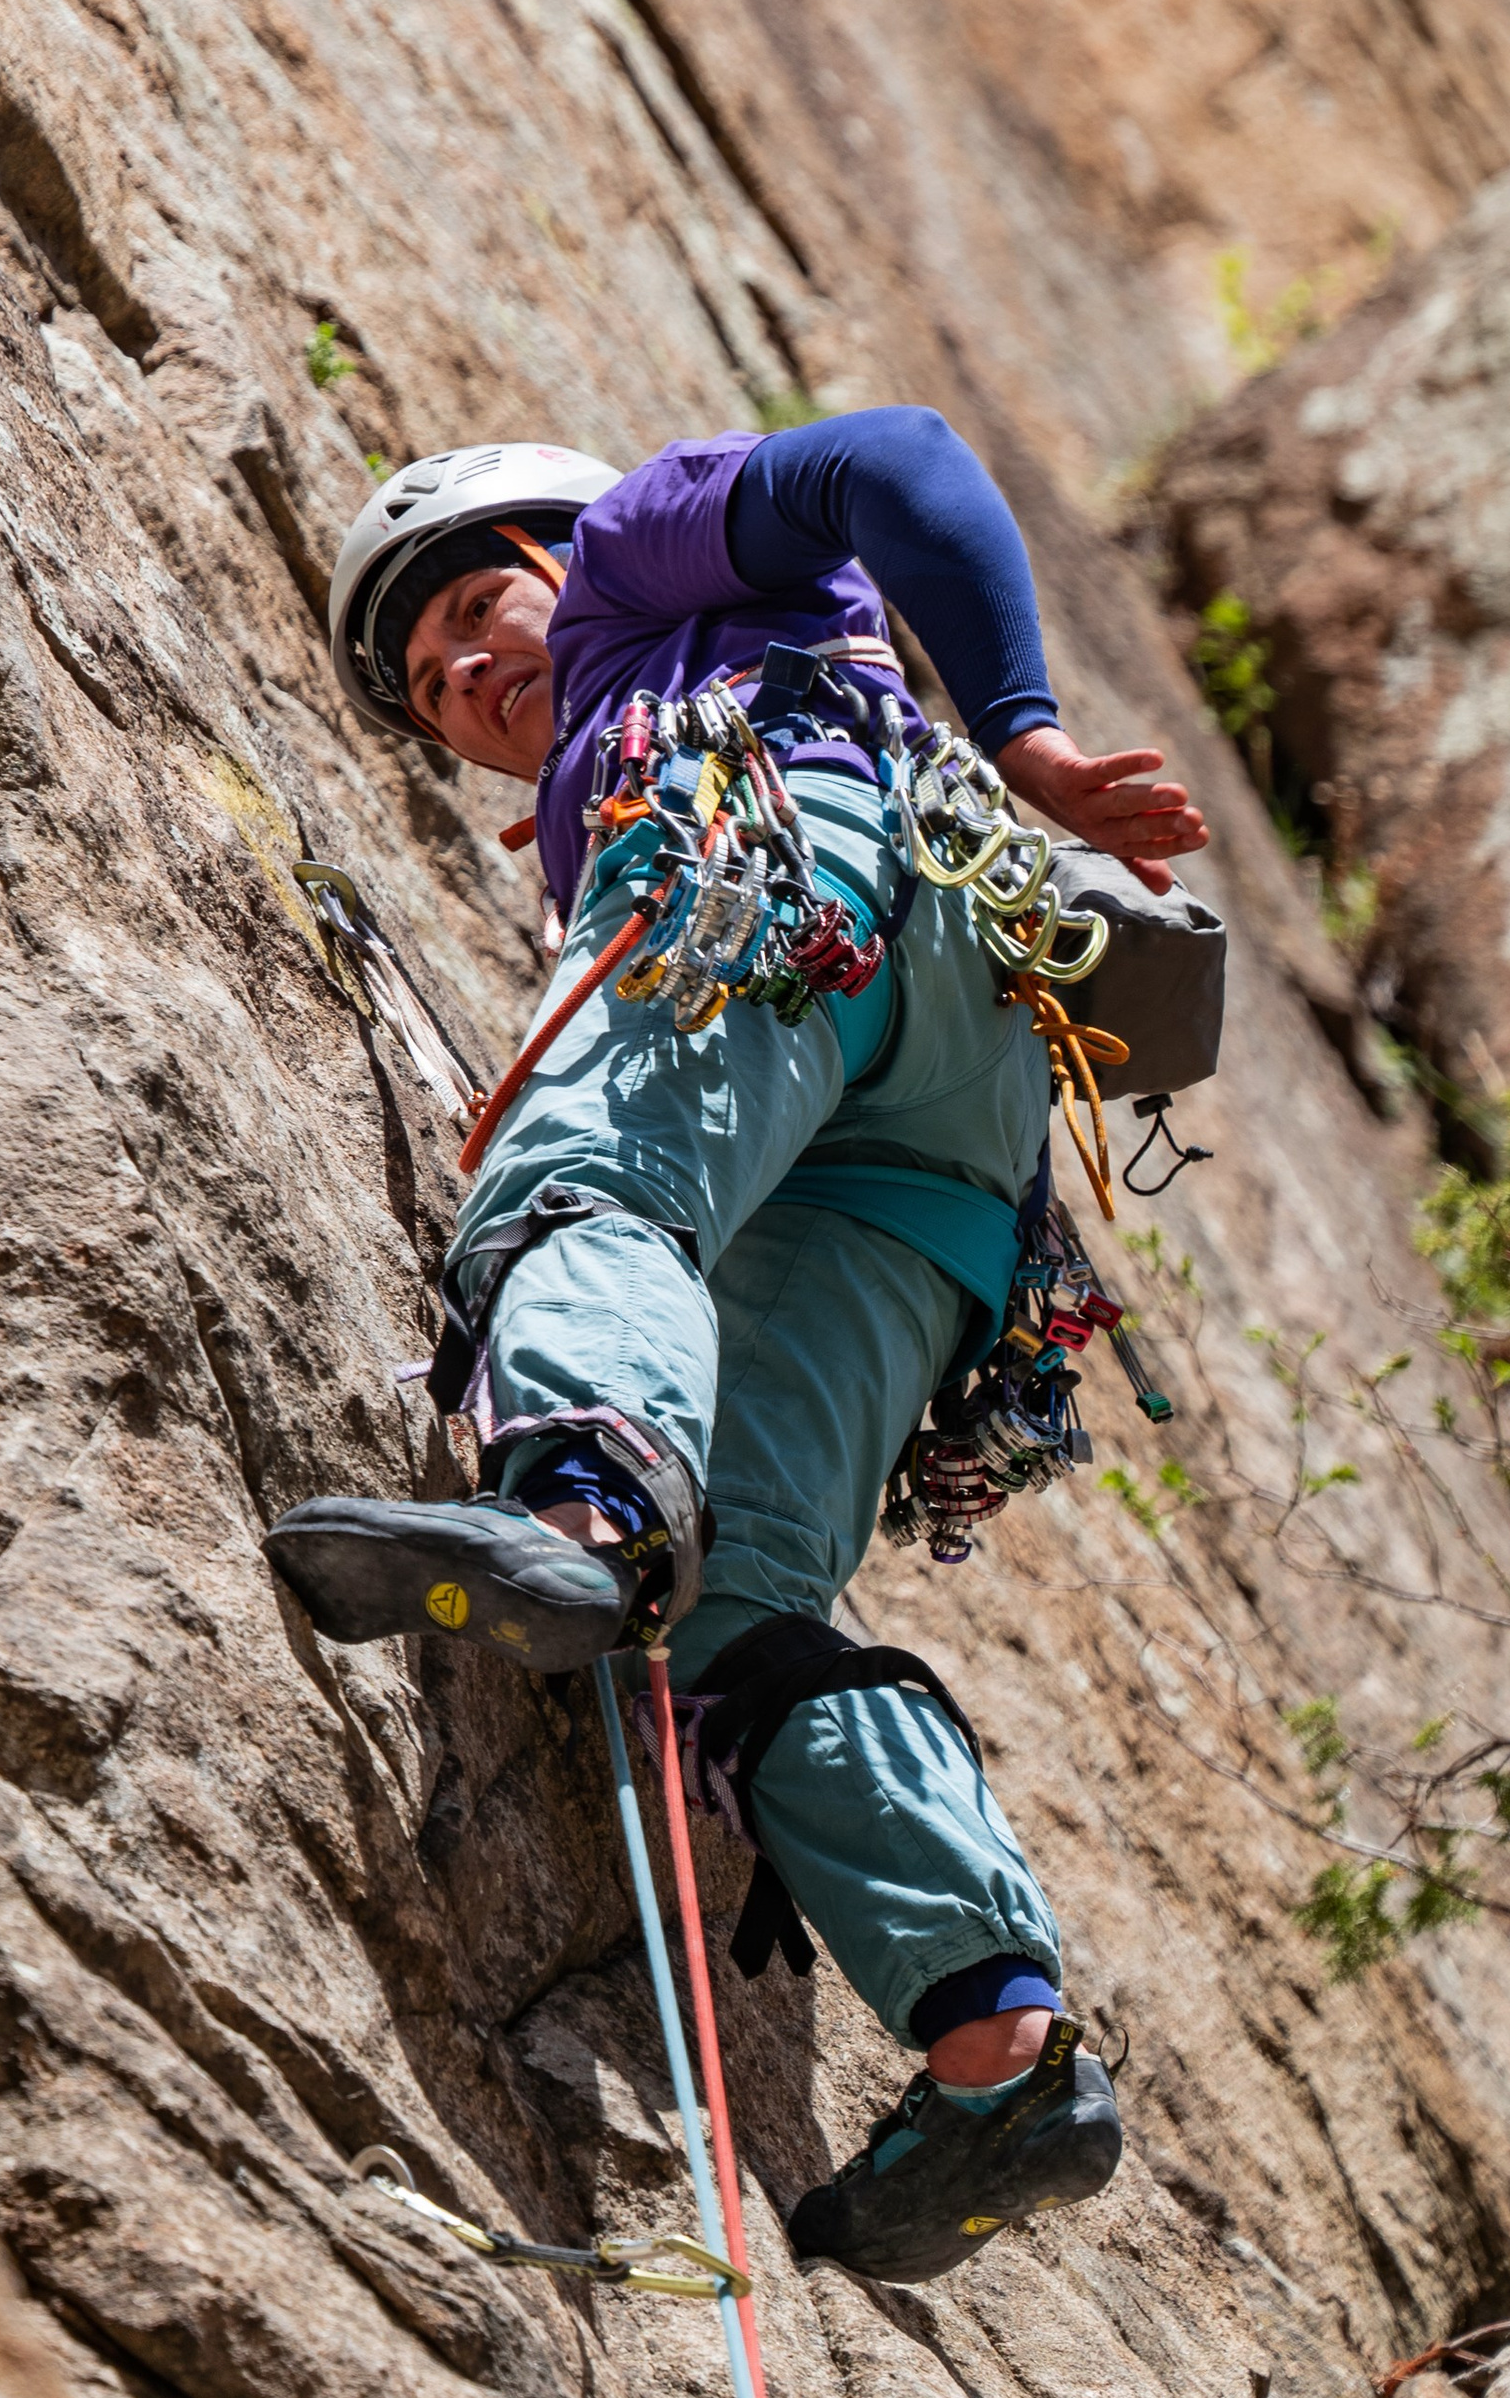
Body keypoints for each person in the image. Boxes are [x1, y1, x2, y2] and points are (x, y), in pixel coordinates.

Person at [269, 412, 1210, 2284]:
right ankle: (997, 2053)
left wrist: (1025, 734)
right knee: (746, 1602)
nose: (464, 671)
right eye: (433, 682)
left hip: (776, 854)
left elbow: (906, 457)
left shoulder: (643, 558)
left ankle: (589, 1507)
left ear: (565, 550)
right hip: (948, 1137)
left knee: (582, 1172)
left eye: (475, 604)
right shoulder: (594, 744)